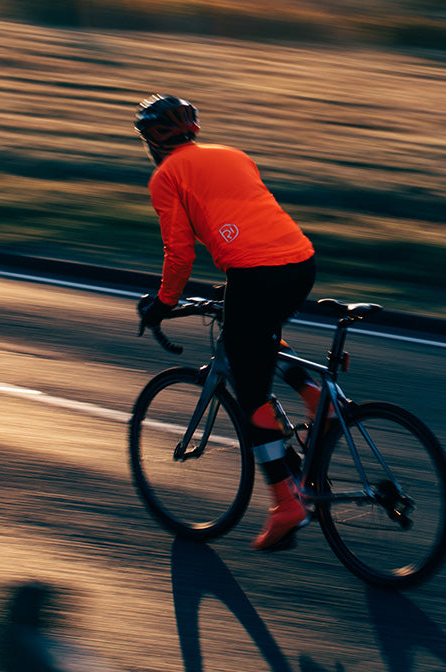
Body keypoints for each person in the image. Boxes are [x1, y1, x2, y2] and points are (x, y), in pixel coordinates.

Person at [134, 93, 319, 550]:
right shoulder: (233, 154)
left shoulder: (165, 176)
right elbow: (247, 216)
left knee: (250, 387)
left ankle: (287, 503)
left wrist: (162, 303)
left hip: (254, 275)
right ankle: (317, 397)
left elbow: (179, 253)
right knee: (258, 337)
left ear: (153, 141)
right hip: (299, 262)